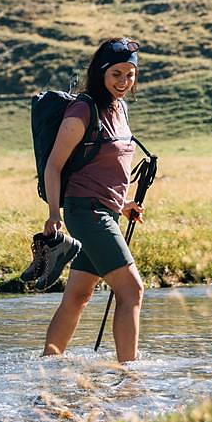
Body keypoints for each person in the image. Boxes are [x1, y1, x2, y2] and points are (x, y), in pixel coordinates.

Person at [40, 37, 147, 363]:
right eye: (116, 73)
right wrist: (54, 213)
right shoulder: (81, 110)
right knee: (131, 291)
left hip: (106, 211)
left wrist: (123, 203)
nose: (123, 82)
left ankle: (49, 367)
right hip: (86, 213)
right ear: (100, 72)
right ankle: (129, 376)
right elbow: (54, 165)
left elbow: (106, 165)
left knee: (78, 296)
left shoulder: (120, 109)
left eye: (130, 74)